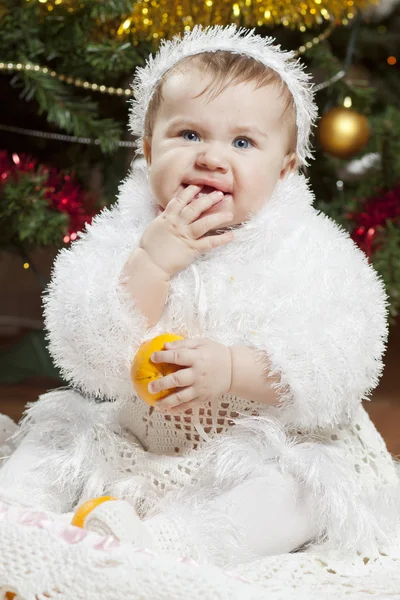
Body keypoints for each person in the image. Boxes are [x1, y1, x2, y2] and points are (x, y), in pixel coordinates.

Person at [0, 25, 398, 568]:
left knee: (303, 489)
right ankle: (19, 520)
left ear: (284, 169)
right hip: (137, 439)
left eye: (242, 142)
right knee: (54, 435)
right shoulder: (125, 233)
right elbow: (84, 344)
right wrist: (152, 263)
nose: (212, 158)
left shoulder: (306, 249)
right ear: (146, 148)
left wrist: (235, 368)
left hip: (252, 452)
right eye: (188, 134)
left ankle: (165, 543)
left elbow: (343, 357)